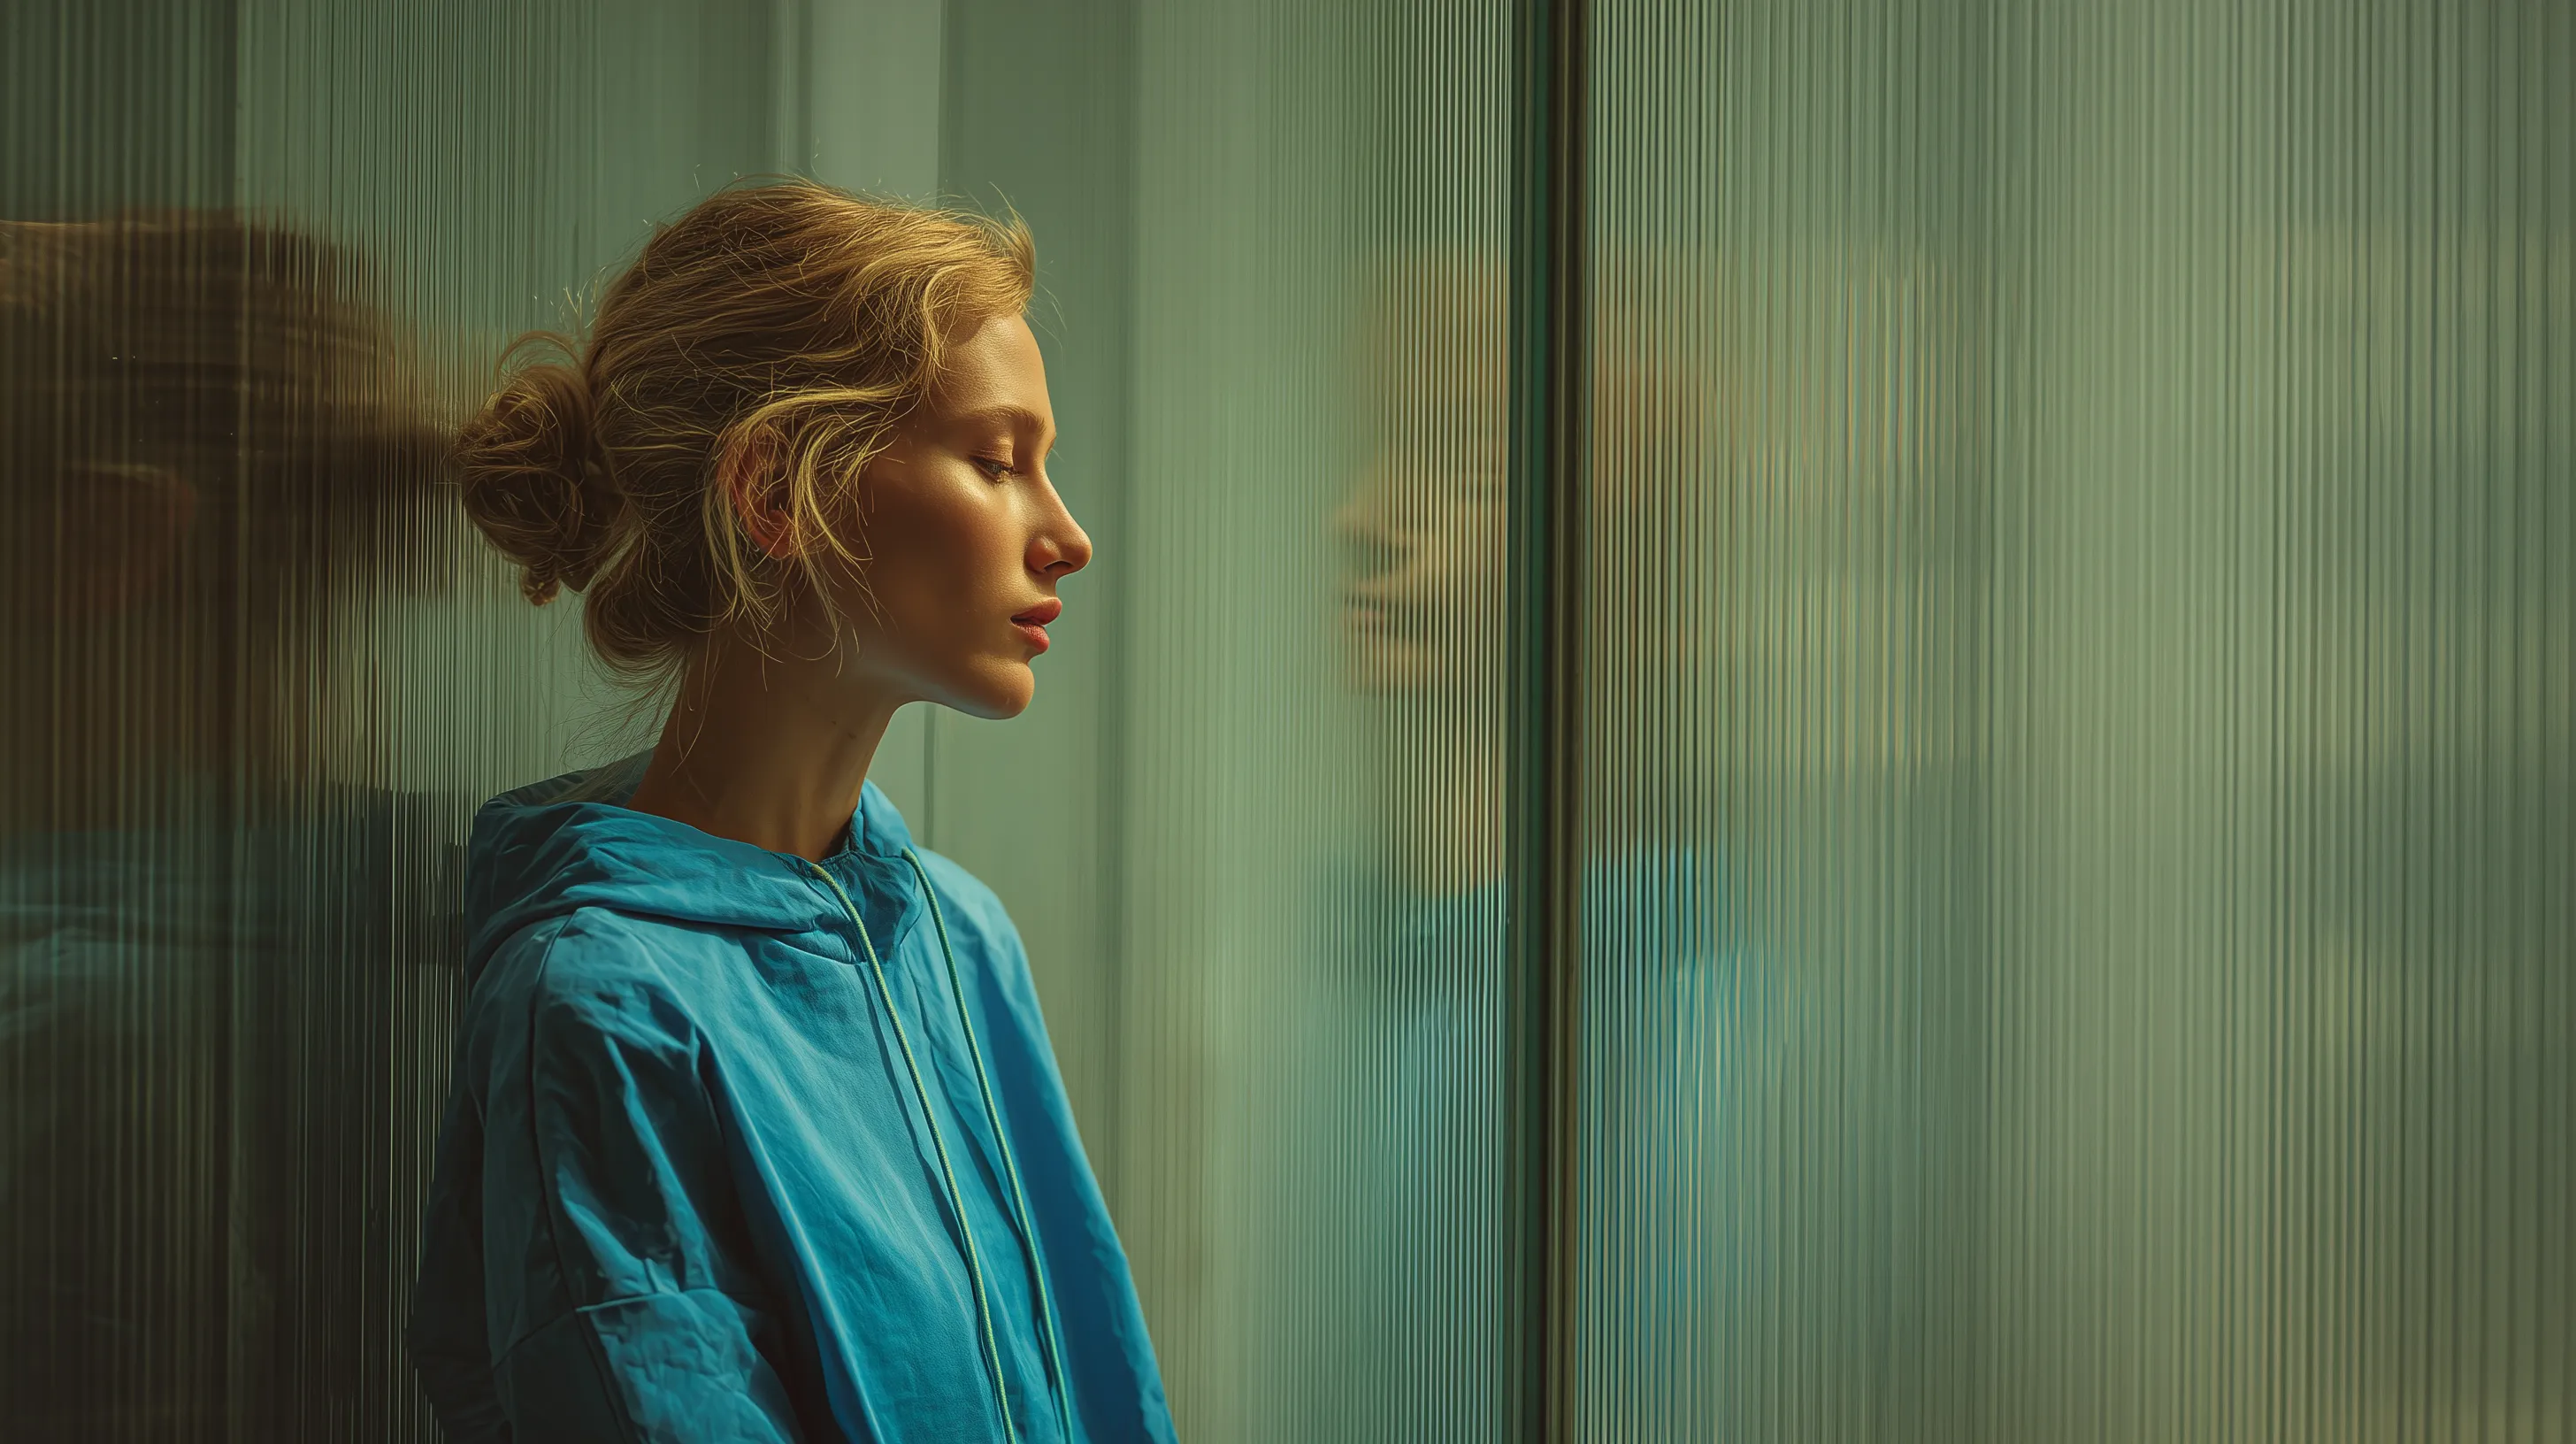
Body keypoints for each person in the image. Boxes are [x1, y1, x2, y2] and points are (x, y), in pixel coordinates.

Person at [404, 181, 1175, 1443]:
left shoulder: (960, 937)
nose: (1068, 535)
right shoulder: (599, 1006)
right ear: (775, 494)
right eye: (997, 462)